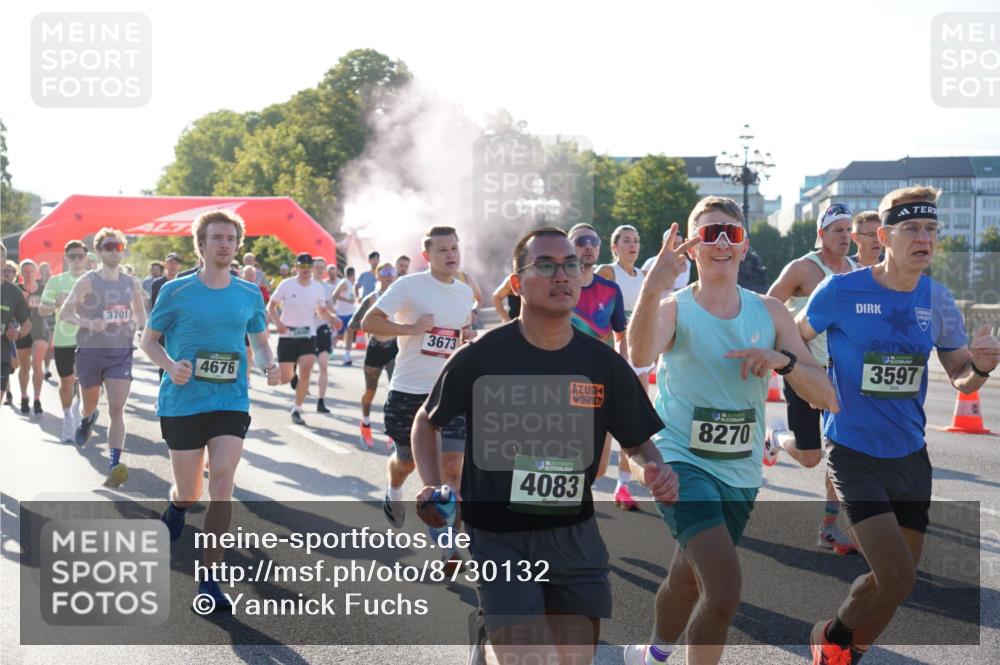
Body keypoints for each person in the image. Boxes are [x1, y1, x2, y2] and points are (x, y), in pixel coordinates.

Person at [412, 226, 678, 665]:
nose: (562, 275)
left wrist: (654, 467)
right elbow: (428, 419)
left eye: (570, 265)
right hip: (499, 536)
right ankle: (494, 627)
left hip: (573, 535)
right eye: (546, 266)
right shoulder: (481, 356)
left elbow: (639, 443)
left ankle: (486, 628)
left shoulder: (603, 365)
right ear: (517, 283)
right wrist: (431, 484)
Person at [625, 196, 837, 665]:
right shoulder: (674, 308)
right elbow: (638, 355)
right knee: (723, 591)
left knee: (686, 575)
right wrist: (652, 285)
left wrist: (782, 361)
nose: (721, 242)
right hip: (681, 459)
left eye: (731, 234)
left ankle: (653, 654)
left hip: (740, 472)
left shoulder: (771, 314)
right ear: (692, 248)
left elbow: (826, 396)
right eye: (709, 233)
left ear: (744, 247)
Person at [799, 186, 999, 664]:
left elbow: (962, 382)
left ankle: (844, 646)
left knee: (894, 580)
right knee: (898, 576)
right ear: (885, 236)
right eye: (911, 228)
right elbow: (796, 336)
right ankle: (832, 637)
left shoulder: (940, 299)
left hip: (910, 455)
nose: (923, 238)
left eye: (931, 229)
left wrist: (984, 365)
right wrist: (808, 384)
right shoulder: (841, 291)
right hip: (852, 450)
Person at [142, 209, 280, 612]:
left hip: (230, 400)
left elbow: (260, 343)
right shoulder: (176, 292)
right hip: (182, 402)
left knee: (222, 483)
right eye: (216, 238)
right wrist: (171, 366)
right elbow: (147, 342)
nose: (224, 245)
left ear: (238, 246)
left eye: (230, 239)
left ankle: (210, 579)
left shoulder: (249, 294)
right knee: (191, 490)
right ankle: (177, 504)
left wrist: (268, 366)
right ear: (200, 246)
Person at [361, 226, 475, 531]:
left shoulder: (465, 292)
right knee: (407, 464)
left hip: (449, 392)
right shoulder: (409, 286)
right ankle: (394, 490)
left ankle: (448, 544)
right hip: (408, 392)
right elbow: (369, 322)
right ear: (427, 256)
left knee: (451, 466)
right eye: (442, 250)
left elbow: (459, 334)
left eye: (454, 248)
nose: (451, 254)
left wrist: (467, 340)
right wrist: (412, 329)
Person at [765, 203, 860, 555]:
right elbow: (768, 305)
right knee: (810, 458)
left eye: (849, 230)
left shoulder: (856, 270)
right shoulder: (803, 268)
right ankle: (775, 437)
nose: (846, 236)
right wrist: (781, 348)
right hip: (804, 371)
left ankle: (829, 527)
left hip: (842, 375)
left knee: (843, 453)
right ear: (821, 234)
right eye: (837, 230)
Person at [59, 227, 146, 488]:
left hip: (120, 352)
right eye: (107, 247)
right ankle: (87, 419)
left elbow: (140, 313)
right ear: (98, 251)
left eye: (117, 246)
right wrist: (88, 323)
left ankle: (114, 464)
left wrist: (140, 329)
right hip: (90, 352)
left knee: (117, 409)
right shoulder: (87, 281)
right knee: (90, 405)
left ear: (122, 250)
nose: (113, 251)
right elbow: (65, 313)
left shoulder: (133, 283)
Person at [566, 223, 627, 486]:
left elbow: (620, 336)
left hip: (599, 386)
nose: (588, 246)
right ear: (570, 247)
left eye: (592, 240)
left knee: (599, 467)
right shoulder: (559, 287)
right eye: (581, 241)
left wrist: (622, 373)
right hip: (559, 384)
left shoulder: (610, 291)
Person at [597, 224, 649, 511]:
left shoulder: (642, 276)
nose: (633, 245)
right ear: (614, 247)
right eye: (626, 241)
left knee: (635, 423)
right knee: (604, 426)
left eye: (636, 240)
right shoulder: (608, 272)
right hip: (612, 357)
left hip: (639, 359)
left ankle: (623, 486)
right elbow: (593, 311)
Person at [266, 253, 336, 425]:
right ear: (296, 268)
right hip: (287, 336)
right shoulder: (286, 285)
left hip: (308, 335)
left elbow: (321, 310)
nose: (305, 270)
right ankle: (291, 376)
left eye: (308, 267)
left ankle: (297, 409)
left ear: (312, 268)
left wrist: (333, 318)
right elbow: (271, 306)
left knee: (307, 370)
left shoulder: (317, 287)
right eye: (301, 267)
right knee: (285, 378)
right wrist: (277, 323)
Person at [40, 240, 89, 441]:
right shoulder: (56, 281)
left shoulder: (94, 281)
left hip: (89, 339)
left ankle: (79, 409)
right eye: (72, 256)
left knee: (86, 382)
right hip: (64, 338)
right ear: (66, 258)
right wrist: (58, 303)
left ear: (85, 258)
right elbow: (42, 309)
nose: (76, 260)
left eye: (80, 256)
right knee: (66, 382)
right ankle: (68, 418)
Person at [348, 262, 399, 448]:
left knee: (395, 392)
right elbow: (353, 323)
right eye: (385, 272)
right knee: (370, 391)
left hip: (394, 348)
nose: (389, 275)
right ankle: (366, 424)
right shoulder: (372, 299)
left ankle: (393, 430)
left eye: (391, 272)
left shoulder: (400, 298)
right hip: (375, 348)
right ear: (378, 276)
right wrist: (372, 325)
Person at [15, 259, 48, 415]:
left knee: (36, 363)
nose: (28, 274)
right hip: (22, 331)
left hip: (40, 330)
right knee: (25, 367)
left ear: (37, 273)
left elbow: (52, 307)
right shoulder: (16, 290)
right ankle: (23, 396)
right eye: (25, 272)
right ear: (21, 274)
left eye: (31, 271)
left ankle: (37, 398)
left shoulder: (44, 289)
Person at [1, 243, 31, 410]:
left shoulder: (14, 292)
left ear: (4, 261)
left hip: (2, 353)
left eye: (0, 256)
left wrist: (17, 333)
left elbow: (26, 324)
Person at [311, 257, 336, 412]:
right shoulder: (306, 285)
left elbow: (331, 307)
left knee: (323, 365)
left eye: (322, 267)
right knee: (305, 365)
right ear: (312, 268)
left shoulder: (327, 287)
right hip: (307, 329)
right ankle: (297, 377)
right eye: (317, 267)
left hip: (323, 328)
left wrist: (334, 316)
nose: (320, 270)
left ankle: (321, 401)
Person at [332, 266, 358, 365]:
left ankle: (347, 356)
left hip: (350, 312)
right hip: (342, 313)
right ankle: (330, 350)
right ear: (353, 274)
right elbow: (335, 295)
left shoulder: (351, 284)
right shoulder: (344, 282)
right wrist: (348, 300)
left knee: (350, 334)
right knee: (339, 335)